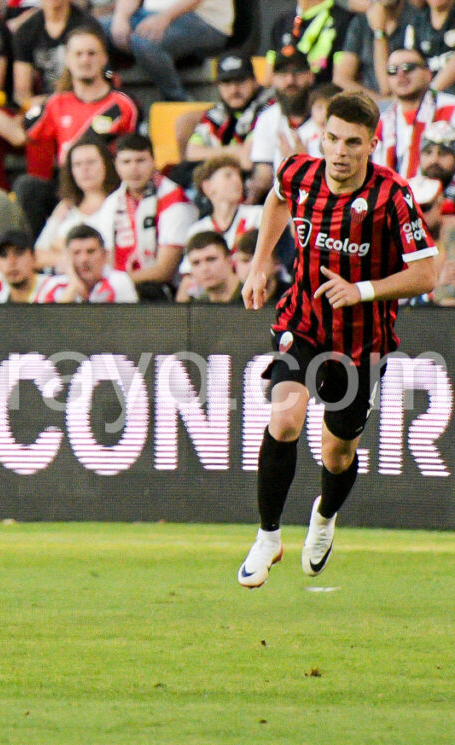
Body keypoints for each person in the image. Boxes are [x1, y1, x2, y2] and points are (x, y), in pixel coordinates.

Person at [237, 91, 439, 589]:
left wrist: (362, 290)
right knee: (284, 417)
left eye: (353, 141)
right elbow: (276, 199)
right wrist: (261, 262)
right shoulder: (299, 172)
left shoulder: (392, 195)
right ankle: (267, 537)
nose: (340, 151)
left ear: (372, 143)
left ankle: (324, 516)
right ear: (321, 136)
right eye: (332, 138)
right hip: (302, 324)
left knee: (338, 452)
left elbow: (428, 273)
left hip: (361, 343)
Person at [0, 27, 138, 236]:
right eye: (78, 54)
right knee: (28, 186)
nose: (85, 60)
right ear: (68, 60)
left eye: (92, 53)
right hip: (68, 190)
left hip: (110, 189)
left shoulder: (122, 104)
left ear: (104, 59)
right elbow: (18, 135)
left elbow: (134, 156)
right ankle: (30, 255)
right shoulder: (56, 103)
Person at [109, 133, 196, 298]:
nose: (134, 168)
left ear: (153, 161)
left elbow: (165, 271)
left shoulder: (174, 200)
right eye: (126, 162)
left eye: (140, 160)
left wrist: (116, 283)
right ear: (116, 165)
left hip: (163, 294)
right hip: (122, 289)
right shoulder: (112, 202)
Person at [110, 0, 234, 102]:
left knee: (145, 41)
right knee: (96, 31)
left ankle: (178, 100)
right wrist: (121, 17)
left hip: (205, 20)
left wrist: (165, 17)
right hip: (147, 15)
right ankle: (105, 101)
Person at [35, 138, 119, 269]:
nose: (84, 169)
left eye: (91, 162)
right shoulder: (65, 207)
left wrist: (59, 249)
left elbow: (109, 260)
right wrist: (72, 259)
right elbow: (37, 255)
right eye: (77, 164)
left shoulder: (119, 203)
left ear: (106, 165)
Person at [374, 47, 455, 180]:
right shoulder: (380, 122)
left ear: (428, 73)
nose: (401, 75)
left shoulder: (451, 108)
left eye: (408, 67)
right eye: (392, 70)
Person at [249, 48, 318, 202]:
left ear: (310, 76)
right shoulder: (267, 118)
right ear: (273, 79)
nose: (290, 81)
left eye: (297, 73)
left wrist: (302, 164)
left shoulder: (327, 116)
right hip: (282, 202)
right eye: (283, 74)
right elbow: (263, 174)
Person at [184, 55, 275, 170]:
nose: (234, 90)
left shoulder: (267, 109)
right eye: (227, 83)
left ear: (254, 81)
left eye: (240, 82)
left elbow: (246, 158)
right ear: (218, 86)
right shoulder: (218, 112)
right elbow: (192, 153)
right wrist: (231, 151)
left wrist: (215, 153)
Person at [334, 0, 418, 100]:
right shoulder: (361, 22)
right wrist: (378, 102)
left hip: (407, 100)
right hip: (373, 102)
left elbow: (387, 87)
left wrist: (379, 33)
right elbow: (341, 79)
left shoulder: (415, 18)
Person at [35, 224, 138, 303]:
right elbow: (45, 327)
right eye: (76, 253)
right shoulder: (52, 285)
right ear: (67, 258)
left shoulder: (119, 281)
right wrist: (73, 286)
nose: (84, 259)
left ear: (105, 255)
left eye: (91, 251)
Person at [266, 0, 353, 86]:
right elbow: (268, 78)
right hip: (286, 95)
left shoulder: (343, 20)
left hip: (324, 94)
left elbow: (342, 79)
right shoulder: (282, 22)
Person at [189, 154, 262, 250]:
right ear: (208, 187)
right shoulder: (198, 230)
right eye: (228, 176)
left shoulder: (258, 215)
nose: (237, 180)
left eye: (238, 175)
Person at [182, 230, 240, 303]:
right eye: (196, 263)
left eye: (211, 259)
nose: (204, 268)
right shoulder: (198, 307)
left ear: (229, 260)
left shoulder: (253, 297)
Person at [0, 229, 44, 302]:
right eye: (3, 255)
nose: (11, 262)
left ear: (34, 256)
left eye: (18, 253)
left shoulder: (56, 291)